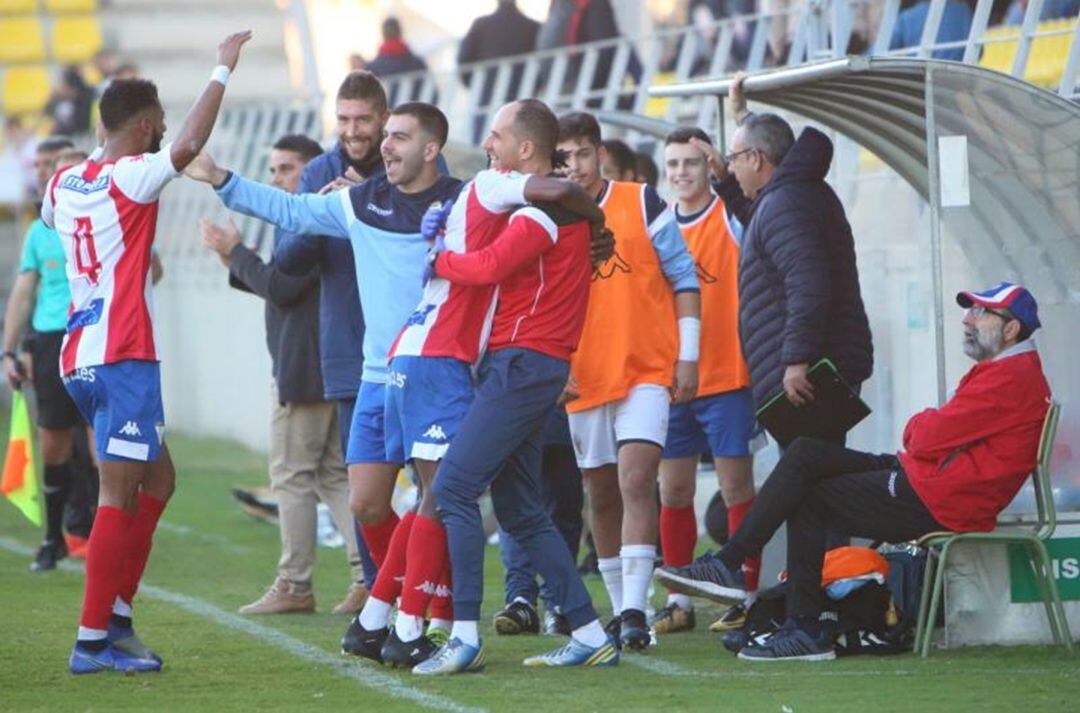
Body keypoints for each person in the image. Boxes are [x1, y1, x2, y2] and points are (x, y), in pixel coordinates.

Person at [182, 102, 463, 655]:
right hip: (376, 377)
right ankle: (404, 603)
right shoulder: (362, 202)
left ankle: (434, 617)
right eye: (388, 136)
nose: (386, 145)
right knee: (366, 504)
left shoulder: (461, 204)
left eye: (400, 137)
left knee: (438, 500)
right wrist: (220, 178)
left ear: (431, 149)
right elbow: (291, 209)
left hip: (435, 373)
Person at [656, 283, 1051, 662]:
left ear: (1011, 329)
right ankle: (733, 569)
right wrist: (927, 429)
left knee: (809, 497)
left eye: (981, 312)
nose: (968, 318)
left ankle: (801, 625)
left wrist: (924, 426)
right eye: (971, 309)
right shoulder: (1006, 369)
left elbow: (925, 437)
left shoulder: (1010, 376)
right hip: (927, 479)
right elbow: (932, 439)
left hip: (940, 498)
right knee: (805, 453)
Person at [349, 105, 606, 669]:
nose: (488, 144)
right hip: (525, 365)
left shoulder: (540, 211)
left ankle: (460, 636)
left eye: (497, 135)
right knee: (519, 508)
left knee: (454, 490)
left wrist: (440, 259)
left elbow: (488, 266)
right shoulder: (548, 208)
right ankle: (590, 633)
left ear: (525, 149)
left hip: (521, 365)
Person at [42, 30, 253, 675]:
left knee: (158, 479)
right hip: (121, 353)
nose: (163, 133)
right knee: (117, 492)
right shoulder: (133, 177)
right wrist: (221, 69)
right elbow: (186, 147)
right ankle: (92, 641)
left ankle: (117, 615)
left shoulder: (64, 183)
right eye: (156, 123)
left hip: (79, 354)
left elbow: (58, 220)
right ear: (140, 127)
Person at [199, 134, 364, 616]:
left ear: (311, 173)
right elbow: (282, 286)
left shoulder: (314, 221)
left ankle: (295, 583)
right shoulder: (324, 217)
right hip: (325, 364)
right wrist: (238, 259)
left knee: (291, 476)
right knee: (333, 476)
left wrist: (236, 253)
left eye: (287, 169)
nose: (276, 179)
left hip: (306, 366)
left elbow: (281, 287)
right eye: (272, 170)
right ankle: (369, 576)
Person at [555, 111, 700, 650]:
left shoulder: (641, 201)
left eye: (582, 153)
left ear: (599, 154)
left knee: (636, 479)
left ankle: (636, 610)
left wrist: (688, 357)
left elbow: (684, 277)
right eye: (564, 157)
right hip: (583, 376)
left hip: (646, 367)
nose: (575, 166)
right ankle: (618, 608)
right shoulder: (545, 217)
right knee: (600, 492)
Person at [273, 70, 391, 608]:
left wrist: (361, 207)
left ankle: (431, 596)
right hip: (347, 350)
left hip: (411, 348)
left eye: (363, 119)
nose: (353, 130)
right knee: (360, 487)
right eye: (344, 119)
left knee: (433, 484)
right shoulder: (318, 171)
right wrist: (320, 216)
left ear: (383, 118)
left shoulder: (407, 162)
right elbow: (287, 260)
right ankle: (376, 590)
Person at [703, 90, 872, 445]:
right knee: (816, 469)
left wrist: (797, 360)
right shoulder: (788, 196)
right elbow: (762, 226)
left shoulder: (785, 202)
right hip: (812, 365)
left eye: (734, 159)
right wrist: (727, 183)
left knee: (812, 470)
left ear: (756, 159)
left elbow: (807, 284)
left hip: (808, 374)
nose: (731, 166)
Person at [653, 127, 759, 637]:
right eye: (673, 163)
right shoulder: (658, 224)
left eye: (691, 163)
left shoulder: (729, 217)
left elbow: (755, 217)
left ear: (708, 166)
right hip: (673, 381)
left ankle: (746, 595)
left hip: (727, 377)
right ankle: (678, 600)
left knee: (736, 488)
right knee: (673, 490)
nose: (681, 173)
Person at [3, 137, 90, 572]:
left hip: (95, 334)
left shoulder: (106, 218)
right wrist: (10, 349)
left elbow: (152, 267)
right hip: (52, 339)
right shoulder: (40, 231)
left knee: (100, 442)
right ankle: (53, 537)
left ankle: (99, 534)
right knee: (54, 440)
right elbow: (23, 292)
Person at [493, 408, 584, 637]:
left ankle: (557, 602)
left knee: (563, 503)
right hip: (515, 408)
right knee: (515, 502)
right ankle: (521, 600)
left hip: (562, 409)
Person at [458, 0, 542, 143]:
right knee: (513, 138)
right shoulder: (533, 27)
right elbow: (541, 66)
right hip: (520, 93)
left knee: (482, 138)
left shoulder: (482, 24)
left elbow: (464, 58)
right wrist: (534, 89)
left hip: (485, 90)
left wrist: (471, 83)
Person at [366, 17, 429, 104]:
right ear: (400, 32)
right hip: (415, 110)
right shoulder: (419, 63)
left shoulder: (372, 68)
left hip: (387, 111)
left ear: (383, 34)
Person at [889, 0, 974, 61]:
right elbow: (976, 49)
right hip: (956, 74)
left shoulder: (907, 16)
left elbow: (888, 47)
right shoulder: (964, 12)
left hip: (918, 74)